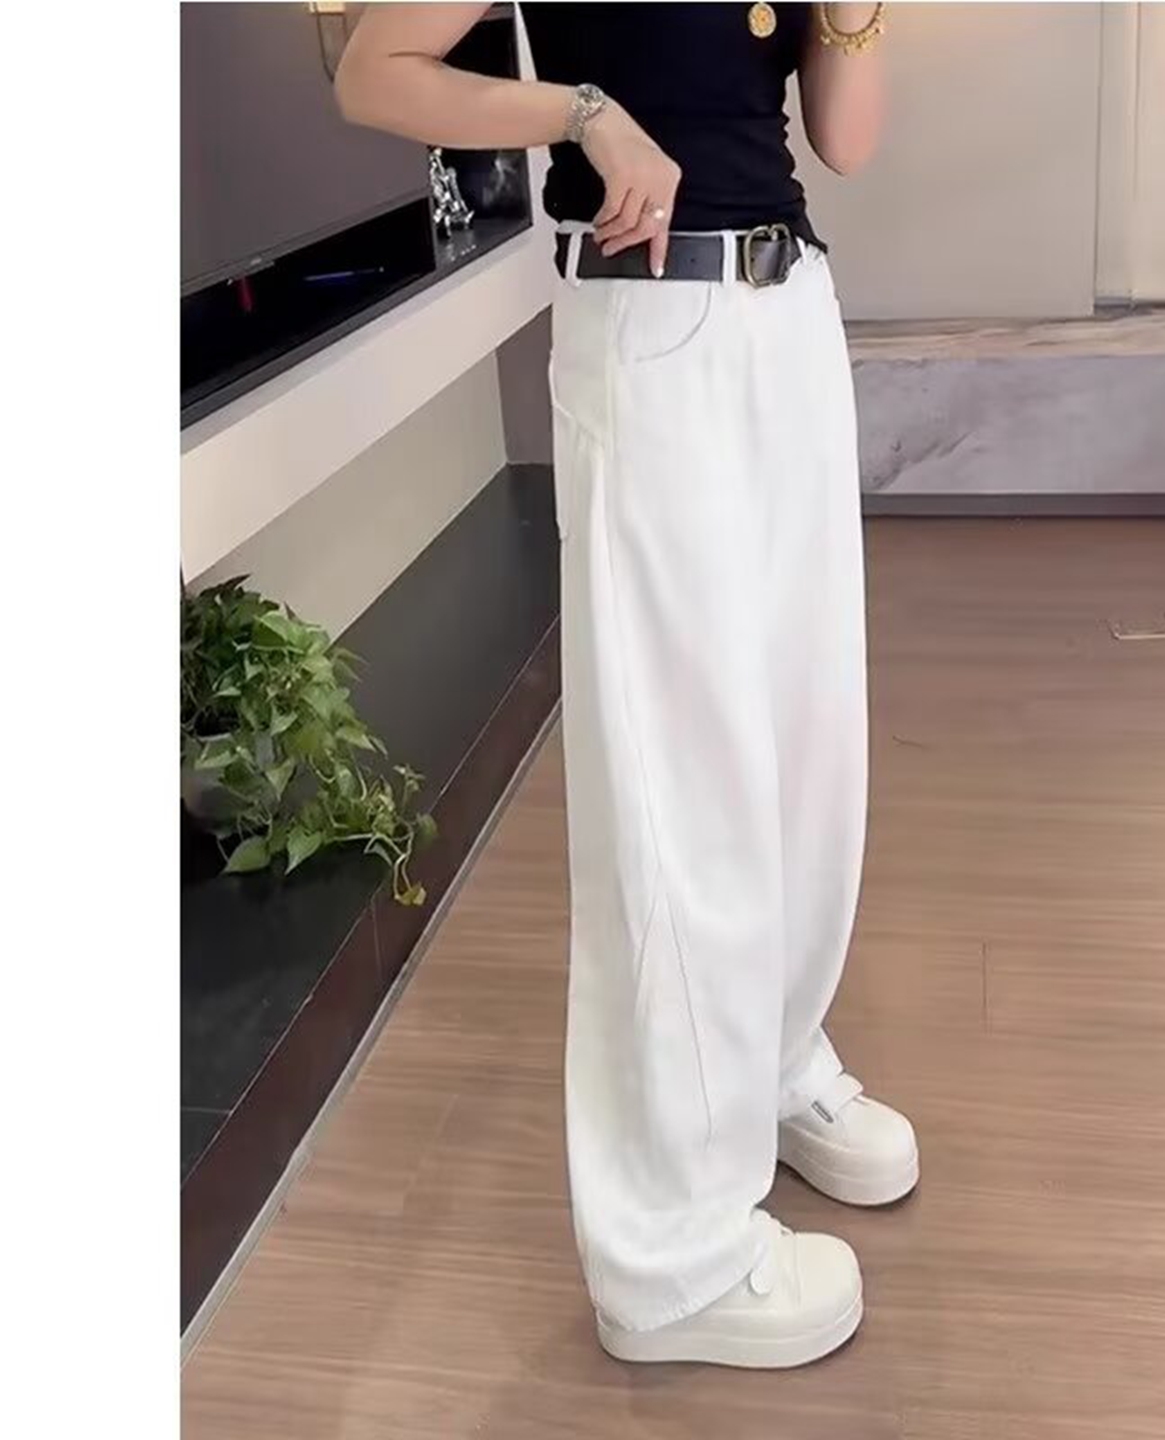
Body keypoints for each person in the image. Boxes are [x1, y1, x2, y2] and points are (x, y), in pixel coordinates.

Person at [336, 1, 914, 1370]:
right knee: (681, 781)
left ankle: (770, 1062)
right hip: (652, 327)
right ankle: (670, 1257)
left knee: (807, 748)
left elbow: (844, 137)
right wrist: (582, 114)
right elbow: (373, 72)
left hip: (788, 310)